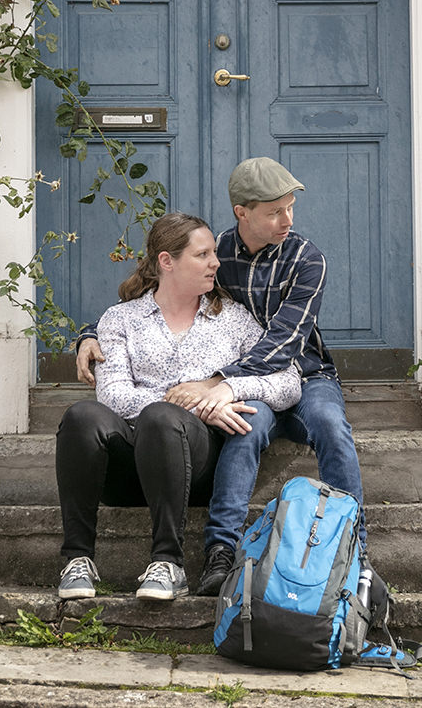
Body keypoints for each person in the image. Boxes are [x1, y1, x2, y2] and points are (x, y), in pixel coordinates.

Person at [75, 157, 365, 598]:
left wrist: (219, 384)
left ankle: (354, 548)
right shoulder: (217, 254)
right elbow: (152, 293)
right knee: (244, 429)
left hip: (303, 372)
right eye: (275, 211)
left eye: (291, 208)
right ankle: (220, 551)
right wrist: (91, 333)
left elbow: (284, 347)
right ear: (242, 213)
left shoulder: (307, 259)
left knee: (329, 425)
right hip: (247, 387)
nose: (287, 219)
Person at [54, 212, 302, 602]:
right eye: (202, 255)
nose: (215, 263)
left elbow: (288, 381)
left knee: (162, 417)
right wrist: (192, 402)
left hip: (197, 469)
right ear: (167, 261)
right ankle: (77, 559)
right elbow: (113, 395)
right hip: (132, 469)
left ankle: (168, 562)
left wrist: (224, 390)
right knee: (81, 416)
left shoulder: (233, 320)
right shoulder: (121, 319)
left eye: (214, 254)